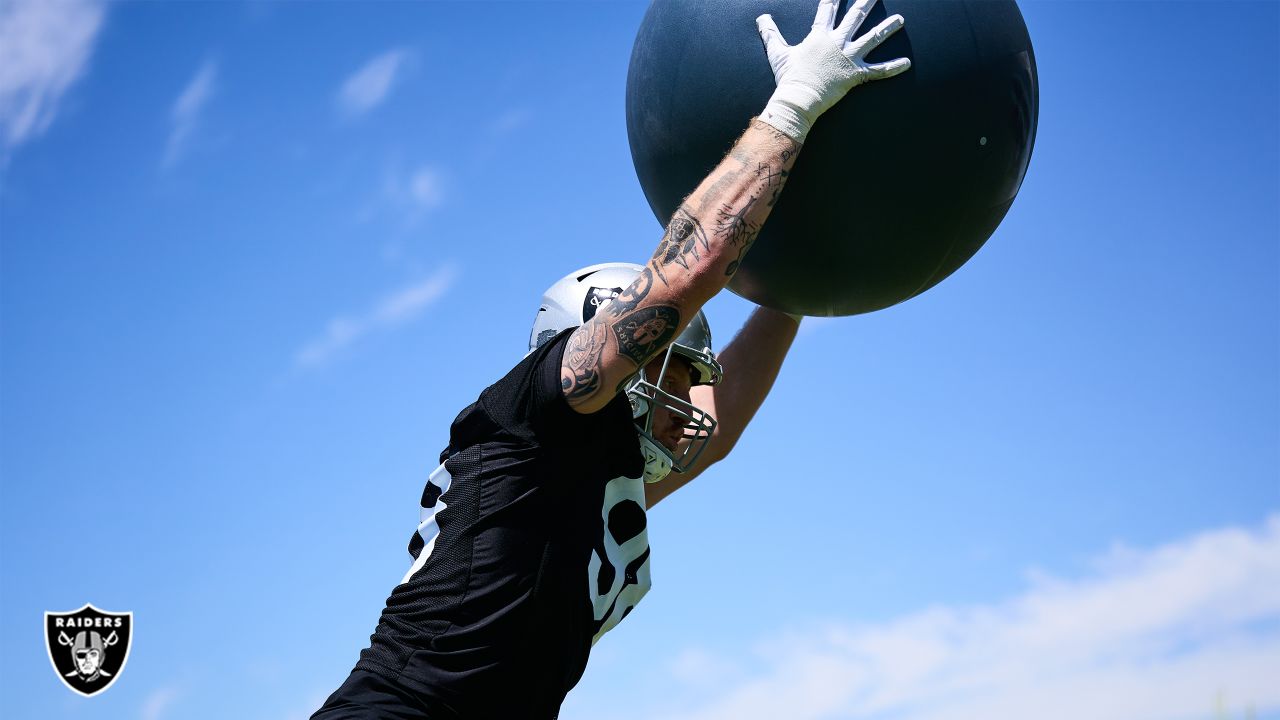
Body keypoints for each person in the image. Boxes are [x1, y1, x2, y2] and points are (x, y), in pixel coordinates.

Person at [312, 1, 909, 717]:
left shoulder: (580, 474)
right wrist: (795, 104)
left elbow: (719, 431)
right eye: (679, 370)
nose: (694, 401)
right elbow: (689, 270)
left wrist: (798, 282)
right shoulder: (532, 415)